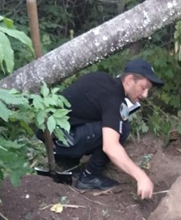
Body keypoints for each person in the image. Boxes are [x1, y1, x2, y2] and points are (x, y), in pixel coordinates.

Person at [51, 58, 164, 200]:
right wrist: (141, 176)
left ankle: (67, 162)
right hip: (60, 142)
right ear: (129, 80)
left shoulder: (103, 80)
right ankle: (89, 177)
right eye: (143, 87)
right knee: (122, 128)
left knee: (115, 124)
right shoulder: (113, 99)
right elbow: (111, 147)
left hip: (54, 137)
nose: (145, 95)